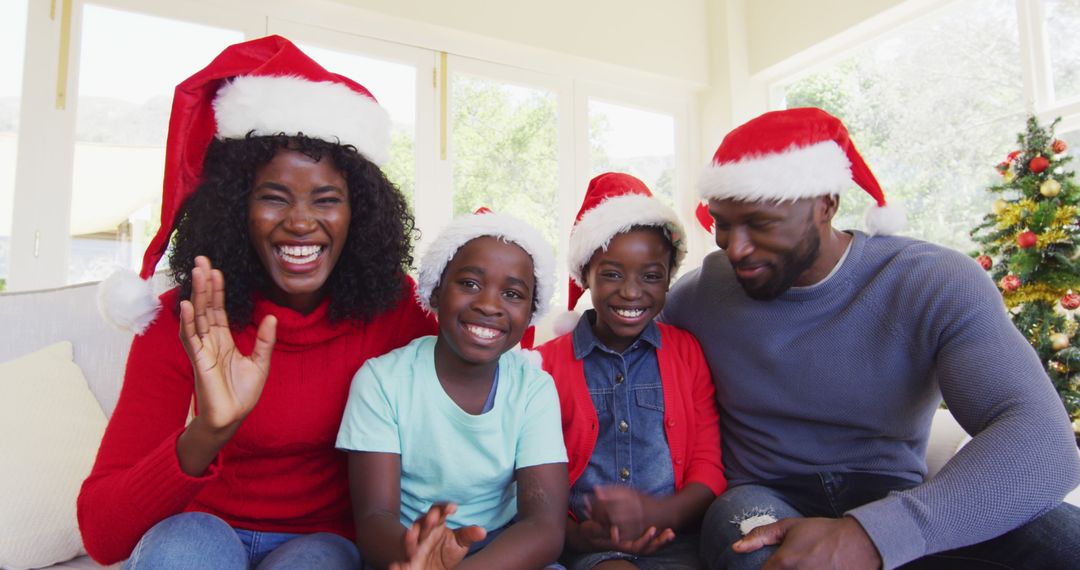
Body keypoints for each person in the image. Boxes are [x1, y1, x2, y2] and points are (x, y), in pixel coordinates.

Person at [661, 107, 1080, 569]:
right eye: (722, 222)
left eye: (759, 223)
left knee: (1065, 539)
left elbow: (1043, 442)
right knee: (756, 551)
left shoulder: (930, 281)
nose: (733, 247)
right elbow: (618, 349)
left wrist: (873, 535)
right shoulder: (701, 294)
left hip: (889, 491)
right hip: (759, 495)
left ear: (826, 204)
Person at [78, 36, 437, 569]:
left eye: (327, 199)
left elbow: (493, 355)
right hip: (202, 530)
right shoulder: (189, 318)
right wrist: (209, 431)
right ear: (233, 209)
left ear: (359, 212)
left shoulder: (395, 309)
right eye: (273, 197)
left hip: (321, 541)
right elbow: (103, 537)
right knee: (180, 553)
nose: (299, 221)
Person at [336, 209, 569, 569]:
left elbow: (544, 527)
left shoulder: (533, 389)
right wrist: (422, 557)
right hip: (409, 550)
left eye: (511, 293)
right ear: (436, 290)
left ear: (530, 311)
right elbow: (375, 520)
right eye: (470, 284)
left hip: (505, 552)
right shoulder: (382, 380)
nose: (488, 304)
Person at [536, 173, 726, 570]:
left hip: (679, 537)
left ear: (669, 278)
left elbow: (708, 464)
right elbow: (533, 481)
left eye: (651, 276)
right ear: (585, 274)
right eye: (612, 273)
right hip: (590, 545)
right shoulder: (547, 365)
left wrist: (664, 513)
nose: (631, 291)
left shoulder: (687, 352)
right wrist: (575, 534)